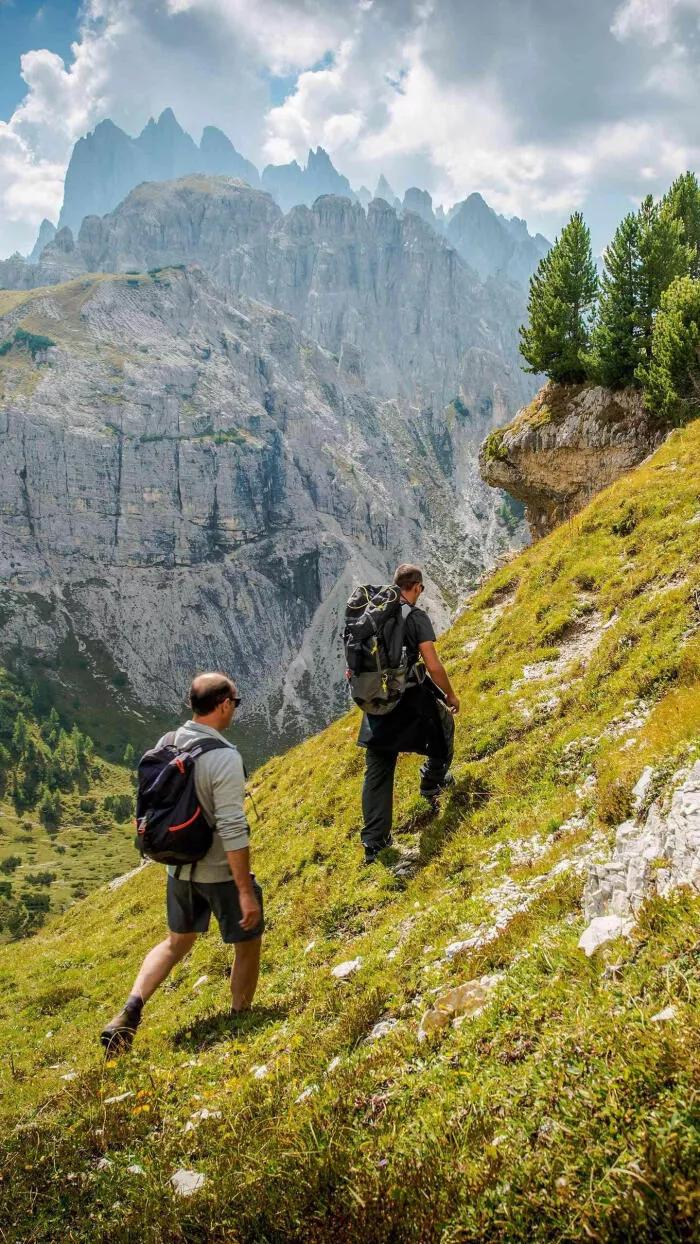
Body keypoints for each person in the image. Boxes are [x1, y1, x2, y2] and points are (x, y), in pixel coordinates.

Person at [100, 672, 263, 1052]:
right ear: (223, 705)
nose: (234, 710)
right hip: (219, 872)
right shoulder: (224, 757)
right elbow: (232, 830)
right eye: (235, 703)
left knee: (176, 943)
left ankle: (129, 1011)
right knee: (248, 940)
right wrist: (244, 892)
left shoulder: (168, 742)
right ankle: (241, 1017)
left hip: (177, 869)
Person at [357, 564, 459, 863]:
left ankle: (375, 844)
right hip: (410, 697)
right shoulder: (414, 617)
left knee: (378, 767)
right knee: (443, 728)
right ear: (415, 587)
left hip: (376, 701)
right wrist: (450, 694)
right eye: (421, 588)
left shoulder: (372, 614)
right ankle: (433, 781)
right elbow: (433, 664)